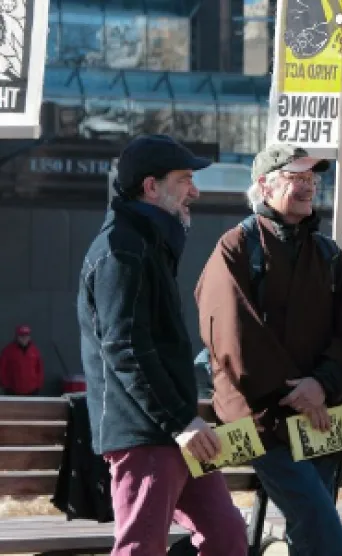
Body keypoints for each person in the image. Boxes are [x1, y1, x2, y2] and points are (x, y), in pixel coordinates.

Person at [195, 144, 342, 556]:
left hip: (322, 416)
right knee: (315, 515)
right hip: (258, 420)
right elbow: (234, 337)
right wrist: (298, 395)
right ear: (263, 184)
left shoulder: (332, 258)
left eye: (312, 179)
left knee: (311, 528)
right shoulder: (234, 248)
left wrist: (322, 385)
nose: (308, 187)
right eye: (297, 178)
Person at [77, 134, 247, 556]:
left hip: (174, 429)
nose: (196, 190)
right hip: (146, 434)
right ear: (151, 187)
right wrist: (179, 422)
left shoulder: (148, 242)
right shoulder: (122, 250)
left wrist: (182, 422)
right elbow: (125, 349)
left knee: (227, 537)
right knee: (141, 548)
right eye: (185, 179)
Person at [0, 324, 44, 395]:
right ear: (17, 337)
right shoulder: (7, 351)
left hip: (32, 390)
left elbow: (39, 369)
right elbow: (2, 369)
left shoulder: (35, 351)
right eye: (21, 336)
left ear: (29, 337)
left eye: (26, 336)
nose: (24, 338)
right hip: (13, 390)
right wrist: (5, 385)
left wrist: (38, 385)